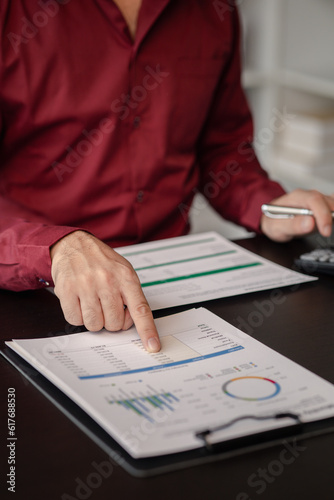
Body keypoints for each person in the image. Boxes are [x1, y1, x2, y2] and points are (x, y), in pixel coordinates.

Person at [1, 0, 333, 353]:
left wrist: (268, 204)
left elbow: (221, 148)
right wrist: (53, 248)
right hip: (34, 292)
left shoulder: (215, 10)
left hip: (176, 280)